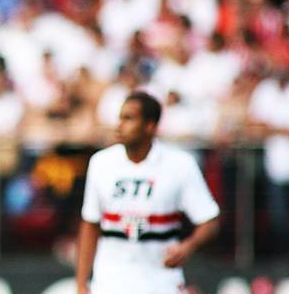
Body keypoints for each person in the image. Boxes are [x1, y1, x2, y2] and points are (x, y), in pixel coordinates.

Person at [76, 91, 220, 294]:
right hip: (110, 281)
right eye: (120, 117)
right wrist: (81, 283)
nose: (119, 125)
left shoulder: (180, 165)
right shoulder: (101, 163)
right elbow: (90, 224)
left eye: (129, 118)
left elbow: (209, 220)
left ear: (150, 126)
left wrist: (189, 246)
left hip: (160, 282)